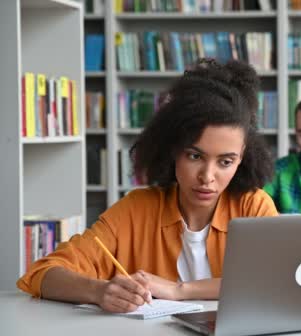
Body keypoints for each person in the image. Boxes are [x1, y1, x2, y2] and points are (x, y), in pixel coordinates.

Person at [17, 59, 278, 313]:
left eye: (225, 162)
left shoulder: (252, 206)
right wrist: (99, 291)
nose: (207, 176)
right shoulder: (135, 210)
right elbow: (43, 274)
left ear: (242, 159)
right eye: (195, 156)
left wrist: (179, 290)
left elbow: (274, 282)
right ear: (173, 150)